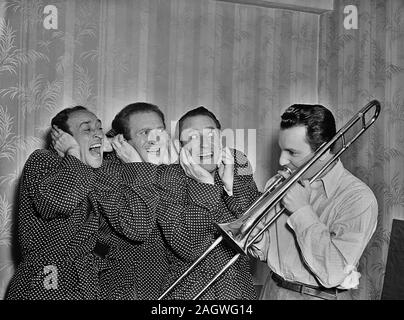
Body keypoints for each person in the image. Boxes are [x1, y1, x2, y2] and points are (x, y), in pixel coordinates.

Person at [6, 106, 157, 300]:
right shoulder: (43, 160)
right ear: (62, 138)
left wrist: (135, 165)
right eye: (87, 129)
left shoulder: (97, 176)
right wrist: (73, 151)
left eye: (99, 129)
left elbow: (138, 227)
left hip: (85, 284)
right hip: (45, 279)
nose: (98, 135)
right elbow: (59, 202)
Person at [249, 104, 378, 300]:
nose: (282, 160)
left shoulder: (358, 198)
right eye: (281, 150)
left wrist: (301, 210)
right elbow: (266, 252)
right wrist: (254, 234)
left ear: (324, 151)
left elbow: (333, 274)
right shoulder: (279, 184)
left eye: (292, 152)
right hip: (272, 291)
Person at [157, 106, 258, 300]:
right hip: (191, 292)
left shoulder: (238, 173)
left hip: (238, 290)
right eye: (193, 137)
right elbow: (188, 247)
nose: (204, 144)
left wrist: (229, 189)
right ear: (180, 147)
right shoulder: (167, 178)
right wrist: (206, 185)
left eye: (211, 134)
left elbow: (256, 237)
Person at [99, 102, 175, 299]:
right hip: (123, 288)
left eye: (160, 130)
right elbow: (137, 227)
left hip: (169, 286)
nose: (155, 139)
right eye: (145, 132)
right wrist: (138, 167)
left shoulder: (172, 170)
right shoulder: (106, 172)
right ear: (123, 141)